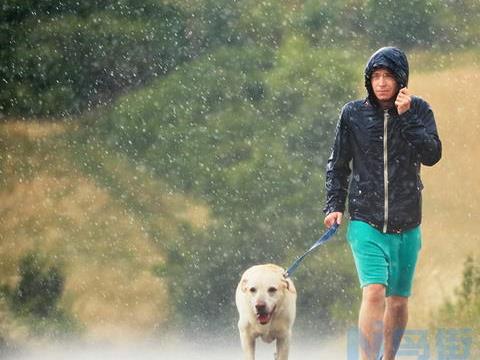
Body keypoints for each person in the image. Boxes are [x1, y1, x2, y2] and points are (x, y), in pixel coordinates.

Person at [323, 47, 442, 360]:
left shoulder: (420, 110)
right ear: (368, 80)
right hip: (366, 220)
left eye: (388, 76)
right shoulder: (353, 114)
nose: (382, 83)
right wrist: (334, 205)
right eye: (375, 76)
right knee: (374, 291)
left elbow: (431, 155)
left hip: (407, 221)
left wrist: (408, 119)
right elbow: (338, 164)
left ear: (401, 79)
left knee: (399, 301)